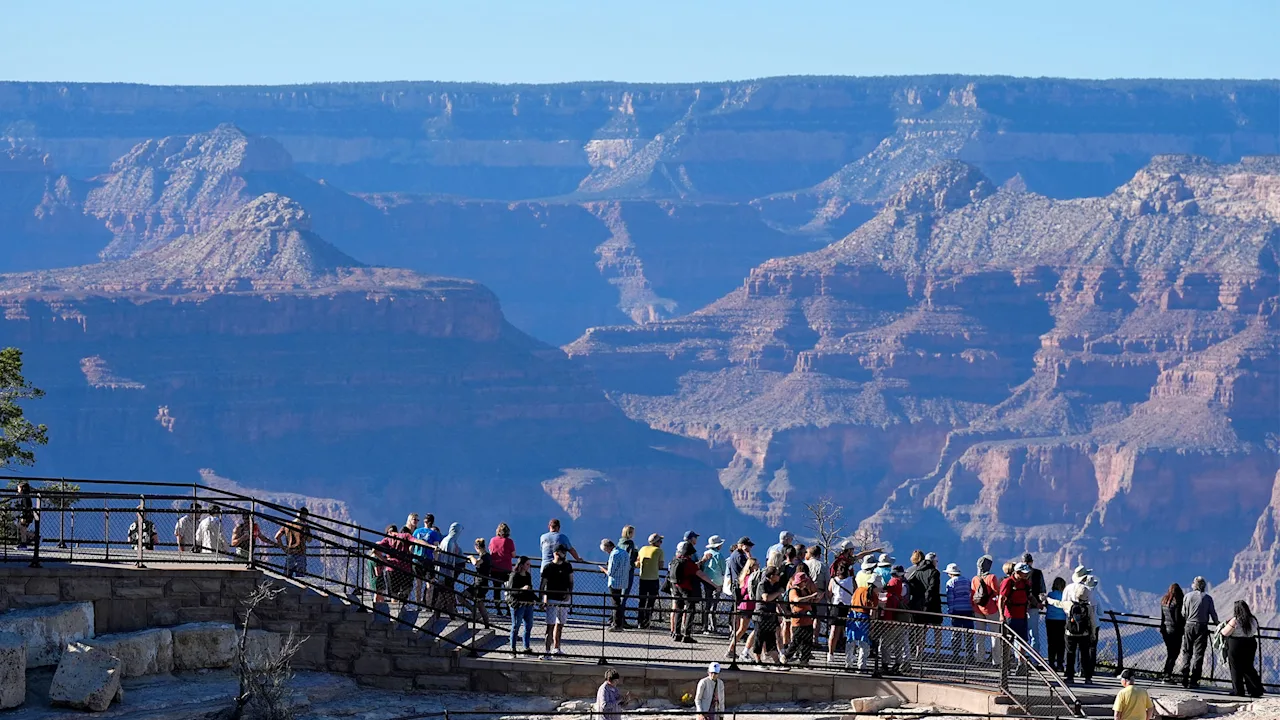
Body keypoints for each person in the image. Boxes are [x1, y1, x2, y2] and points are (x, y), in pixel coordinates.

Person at [1047, 566, 1095, 684]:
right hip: (1085, 632)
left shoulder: (1068, 594)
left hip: (1070, 630)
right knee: (1084, 654)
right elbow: (1092, 620)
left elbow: (1059, 603)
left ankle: (1070, 676)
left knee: (1070, 652)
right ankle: (1087, 677)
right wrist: (1092, 633)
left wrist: (1048, 600)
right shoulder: (1088, 604)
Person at [671, 541, 716, 642]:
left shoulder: (676, 560)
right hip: (687, 588)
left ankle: (677, 633)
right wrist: (714, 585)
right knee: (691, 610)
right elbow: (701, 574)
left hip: (676, 587)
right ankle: (687, 635)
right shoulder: (689, 563)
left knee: (679, 609)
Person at [1178, 576, 1218, 689]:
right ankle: (1194, 680)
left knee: (1187, 651)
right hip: (1202, 627)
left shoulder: (1187, 596)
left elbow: (1183, 613)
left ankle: (1184, 677)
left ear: (1194, 585)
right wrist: (1218, 625)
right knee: (1199, 654)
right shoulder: (1208, 598)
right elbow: (1213, 614)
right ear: (1204, 586)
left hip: (1189, 626)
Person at [1219, 599, 1264, 698]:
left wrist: (1225, 625)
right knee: (1248, 667)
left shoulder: (1235, 620)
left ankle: (1238, 690)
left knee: (1235, 668)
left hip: (1236, 645)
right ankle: (1256, 690)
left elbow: (1224, 632)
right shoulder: (1253, 619)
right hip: (1250, 643)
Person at [539, 545, 574, 658]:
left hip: (564, 599)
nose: (564, 554)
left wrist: (569, 594)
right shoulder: (548, 567)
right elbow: (543, 585)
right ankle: (547, 651)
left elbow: (571, 581)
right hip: (552, 599)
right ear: (556, 553)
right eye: (562, 552)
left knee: (560, 624)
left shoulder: (568, 566)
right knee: (550, 625)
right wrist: (543, 598)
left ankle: (557, 648)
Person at [750, 565, 788, 670]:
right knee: (759, 638)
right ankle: (757, 661)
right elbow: (766, 598)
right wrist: (778, 593)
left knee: (771, 639)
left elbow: (779, 600)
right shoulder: (763, 584)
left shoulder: (775, 585)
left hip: (771, 615)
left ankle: (776, 662)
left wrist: (785, 612)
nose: (779, 576)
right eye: (777, 574)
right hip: (761, 615)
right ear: (771, 576)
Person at [906, 550, 942, 658]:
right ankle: (937, 653)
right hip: (933, 603)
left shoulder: (918, 571)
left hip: (918, 603)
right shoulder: (934, 572)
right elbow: (933, 588)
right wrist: (928, 598)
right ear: (933, 561)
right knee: (937, 628)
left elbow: (911, 584)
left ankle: (919, 652)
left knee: (921, 629)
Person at [845, 575, 882, 672]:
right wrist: (872, 626)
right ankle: (861, 666)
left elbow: (852, 601)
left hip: (853, 616)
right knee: (864, 643)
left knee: (851, 641)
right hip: (864, 618)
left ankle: (848, 664)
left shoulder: (859, 590)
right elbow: (873, 612)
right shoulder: (874, 596)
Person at [786, 570, 821, 666]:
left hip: (808, 621)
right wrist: (811, 596)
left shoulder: (805, 590)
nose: (806, 583)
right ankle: (786, 657)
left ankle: (804, 661)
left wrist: (816, 598)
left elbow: (810, 600)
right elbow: (797, 600)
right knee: (796, 641)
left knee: (807, 642)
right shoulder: (793, 591)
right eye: (804, 581)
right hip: (798, 621)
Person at [971, 555, 1001, 663]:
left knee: (980, 635)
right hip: (991, 610)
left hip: (978, 610)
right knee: (995, 636)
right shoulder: (991, 578)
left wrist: (974, 608)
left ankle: (980, 658)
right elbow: (997, 593)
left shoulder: (975, 579)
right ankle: (996, 661)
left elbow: (972, 594)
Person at [729, 556, 759, 661]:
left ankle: (731, 648)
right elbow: (745, 590)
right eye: (756, 565)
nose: (758, 566)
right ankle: (731, 648)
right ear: (751, 567)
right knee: (743, 628)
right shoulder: (749, 578)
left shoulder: (744, 577)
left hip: (746, 604)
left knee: (743, 629)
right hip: (747, 605)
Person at [374, 524, 414, 602]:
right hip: (403, 568)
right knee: (402, 591)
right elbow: (375, 550)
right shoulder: (399, 539)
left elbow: (375, 550)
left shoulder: (387, 541)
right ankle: (398, 607)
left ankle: (395, 609)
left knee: (395, 593)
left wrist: (385, 561)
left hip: (393, 568)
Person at [505, 556, 537, 655]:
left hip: (528, 603)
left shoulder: (527, 575)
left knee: (529, 625)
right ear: (521, 565)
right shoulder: (514, 575)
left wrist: (537, 600)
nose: (529, 566)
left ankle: (526, 647)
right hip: (517, 604)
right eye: (527, 564)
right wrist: (522, 589)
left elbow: (530, 590)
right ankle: (512, 648)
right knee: (516, 626)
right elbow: (511, 591)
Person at [944, 562, 974, 661]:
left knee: (956, 633)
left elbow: (950, 598)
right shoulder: (967, 580)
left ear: (950, 573)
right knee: (968, 633)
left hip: (957, 610)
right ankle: (970, 655)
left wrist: (950, 611)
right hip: (968, 610)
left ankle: (956, 655)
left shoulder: (950, 582)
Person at [699, 536, 728, 634]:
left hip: (706, 581)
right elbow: (724, 569)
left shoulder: (705, 554)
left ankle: (705, 626)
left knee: (706, 604)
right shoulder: (719, 556)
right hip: (717, 583)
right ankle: (713, 627)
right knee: (714, 606)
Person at [601, 538, 633, 630]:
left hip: (614, 582)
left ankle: (616, 625)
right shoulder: (625, 553)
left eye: (606, 550)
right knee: (619, 602)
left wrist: (603, 570)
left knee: (615, 604)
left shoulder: (614, 554)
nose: (606, 552)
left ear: (608, 547)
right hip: (623, 581)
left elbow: (611, 572)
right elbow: (629, 566)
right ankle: (620, 623)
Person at [412, 514, 443, 604]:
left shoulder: (417, 531)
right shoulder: (433, 534)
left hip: (418, 558)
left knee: (420, 583)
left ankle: (419, 603)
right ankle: (426, 604)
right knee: (428, 584)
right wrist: (436, 561)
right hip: (427, 559)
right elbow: (436, 549)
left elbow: (411, 546)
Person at [636, 533, 665, 629]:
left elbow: (638, 562)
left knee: (642, 601)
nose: (661, 542)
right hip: (653, 579)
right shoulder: (659, 551)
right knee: (651, 602)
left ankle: (639, 622)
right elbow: (661, 566)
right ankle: (646, 622)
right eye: (660, 541)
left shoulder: (643, 549)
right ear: (657, 542)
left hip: (643, 578)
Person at [274, 507, 312, 578]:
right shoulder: (304, 526)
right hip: (300, 553)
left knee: (287, 577)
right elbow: (309, 540)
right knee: (300, 578)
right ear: (305, 515)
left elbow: (277, 536)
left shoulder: (287, 524)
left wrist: (283, 548)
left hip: (290, 553)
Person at [828, 562, 856, 662]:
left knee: (834, 631)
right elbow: (855, 592)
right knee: (849, 631)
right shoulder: (852, 580)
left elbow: (829, 593)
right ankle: (849, 654)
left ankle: (830, 653)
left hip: (836, 605)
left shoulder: (833, 580)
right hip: (848, 606)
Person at [1023, 553, 1048, 657]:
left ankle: (1021, 657)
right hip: (1034, 606)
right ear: (1031, 562)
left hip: (1020, 607)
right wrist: (1041, 603)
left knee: (1021, 633)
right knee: (1034, 633)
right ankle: (1034, 659)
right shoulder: (1038, 573)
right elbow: (1042, 590)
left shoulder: (1018, 573)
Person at [1159, 582, 1185, 683]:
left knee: (1170, 653)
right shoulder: (1177, 602)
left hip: (1166, 631)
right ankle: (1167, 675)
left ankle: (1166, 674)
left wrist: (1162, 628)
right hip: (1175, 632)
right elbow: (1177, 619)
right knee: (1174, 653)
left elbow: (1163, 617)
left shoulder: (1164, 601)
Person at [488, 523, 516, 609]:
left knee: (497, 589)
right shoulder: (509, 541)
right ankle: (508, 609)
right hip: (506, 569)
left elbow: (490, 552)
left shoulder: (492, 540)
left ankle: (498, 609)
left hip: (495, 568)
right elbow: (513, 554)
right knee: (508, 590)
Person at [466, 538, 493, 624]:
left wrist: (471, 557)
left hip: (480, 583)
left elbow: (476, 563)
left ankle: (475, 612)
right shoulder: (487, 556)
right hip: (482, 583)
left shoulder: (484, 557)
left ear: (476, 547)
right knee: (480, 604)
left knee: (462, 597)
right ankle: (486, 624)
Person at [1045, 576, 1068, 672]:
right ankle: (1060, 663)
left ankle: (1051, 663)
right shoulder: (1064, 596)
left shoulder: (1050, 594)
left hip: (1050, 620)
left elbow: (1046, 605)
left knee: (1051, 642)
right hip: (1061, 620)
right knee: (1061, 643)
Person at [618, 525, 639, 622]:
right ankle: (620, 620)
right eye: (632, 532)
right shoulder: (630, 544)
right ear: (629, 533)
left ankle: (615, 618)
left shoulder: (620, 543)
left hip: (619, 571)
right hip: (628, 572)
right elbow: (630, 558)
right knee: (624, 596)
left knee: (618, 596)